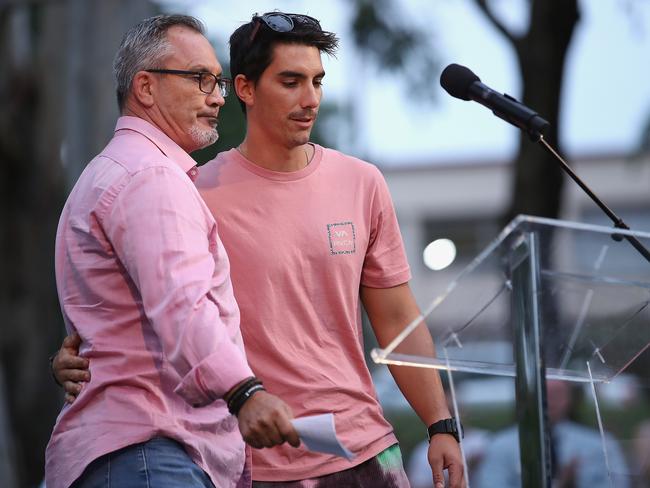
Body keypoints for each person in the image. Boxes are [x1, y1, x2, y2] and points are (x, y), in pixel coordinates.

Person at [52, 11, 465, 488]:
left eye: (317, 81)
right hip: (254, 461)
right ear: (245, 89)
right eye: (291, 82)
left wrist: (441, 424)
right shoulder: (186, 190)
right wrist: (77, 357)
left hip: (365, 448)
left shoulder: (362, 183)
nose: (310, 99)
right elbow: (165, 307)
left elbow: (397, 320)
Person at [45, 14, 299, 488]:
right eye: (201, 79)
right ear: (145, 87)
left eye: (218, 81)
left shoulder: (111, 171)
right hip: (148, 451)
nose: (218, 96)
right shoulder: (150, 177)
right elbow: (182, 305)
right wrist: (245, 393)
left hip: (131, 453)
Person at [473, 380, 630, 487]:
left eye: (556, 393)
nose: (548, 399)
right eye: (541, 391)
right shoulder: (500, 444)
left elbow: (619, 483)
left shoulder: (599, 443)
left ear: (569, 398)